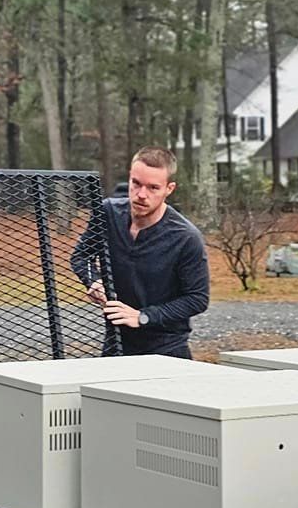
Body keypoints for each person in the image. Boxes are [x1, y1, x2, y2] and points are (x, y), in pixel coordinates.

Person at [69, 147, 210, 359]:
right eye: (136, 184)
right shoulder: (108, 213)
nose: (141, 195)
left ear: (169, 189)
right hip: (116, 341)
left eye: (153, 188)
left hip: (166, 349)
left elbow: (197, 298)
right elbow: (81, 257)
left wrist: (143, 317)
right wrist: (94, 281)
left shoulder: (185, 237)